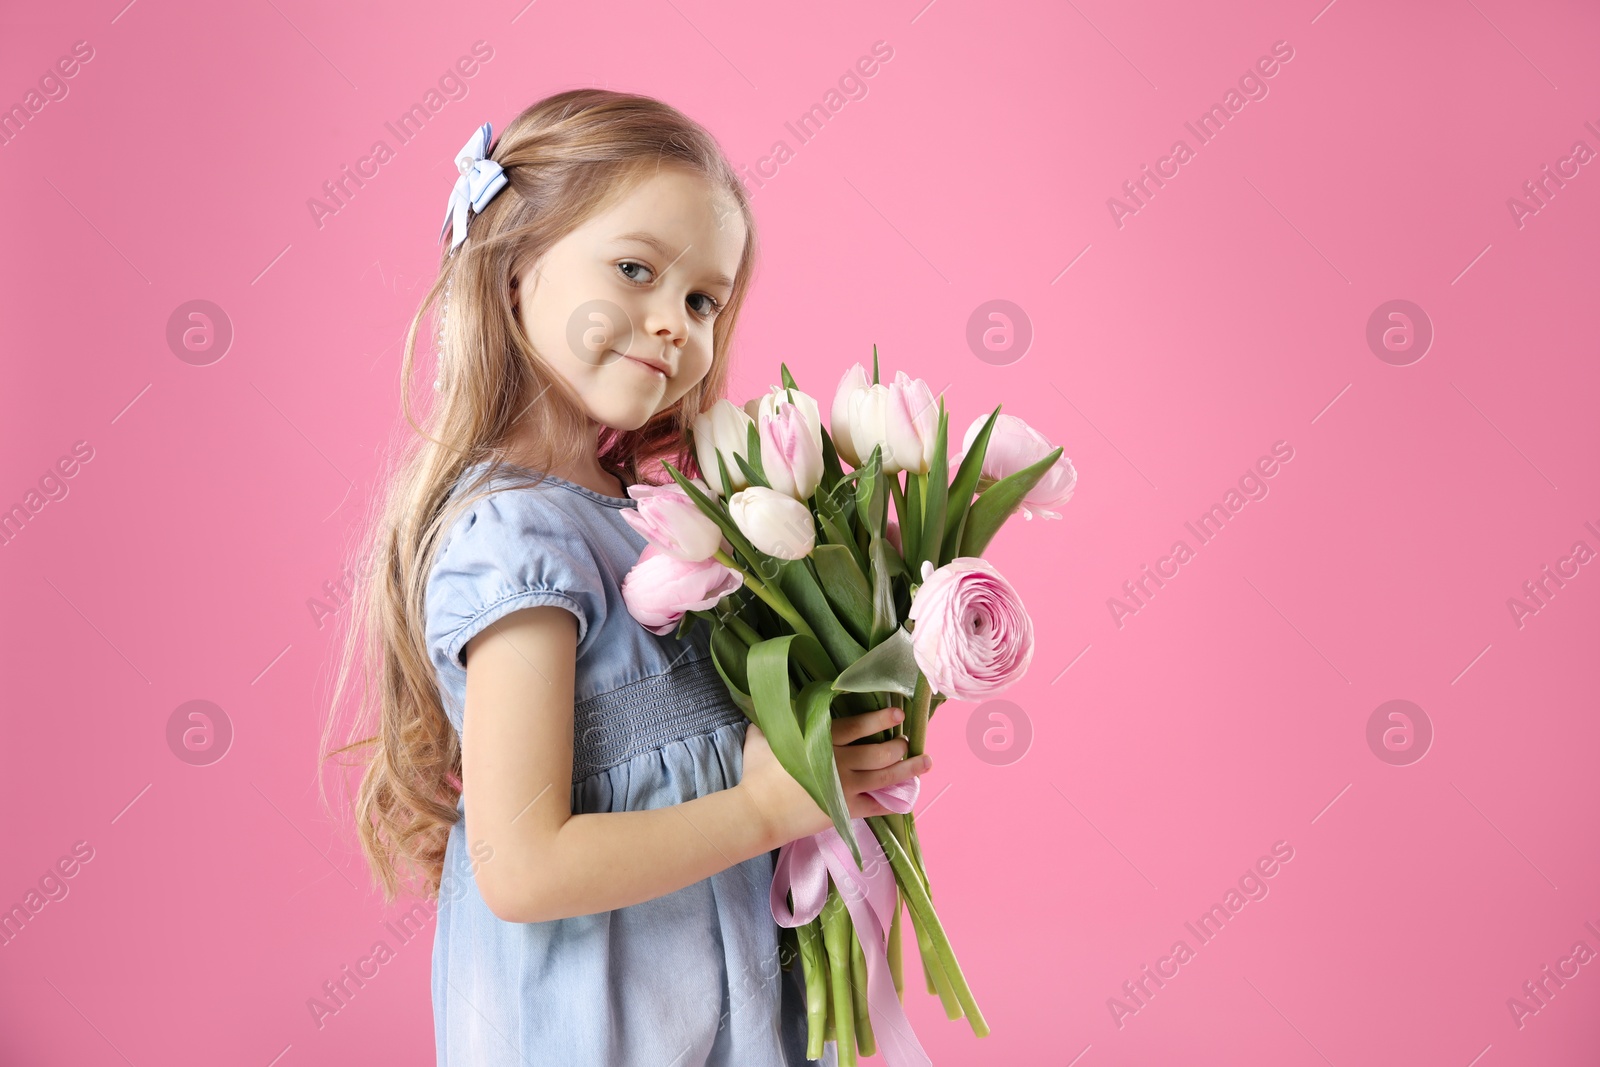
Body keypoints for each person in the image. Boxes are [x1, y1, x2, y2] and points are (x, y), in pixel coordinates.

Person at [320, 89, 929, 1066]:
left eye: (700, 298)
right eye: (635, 269)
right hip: (597, 1027)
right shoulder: (514, 534)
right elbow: (523, 866)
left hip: (712, 1003)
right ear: (515, 266)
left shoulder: (646, 518)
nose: (673, 324)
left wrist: (822, 739)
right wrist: (772, 806)